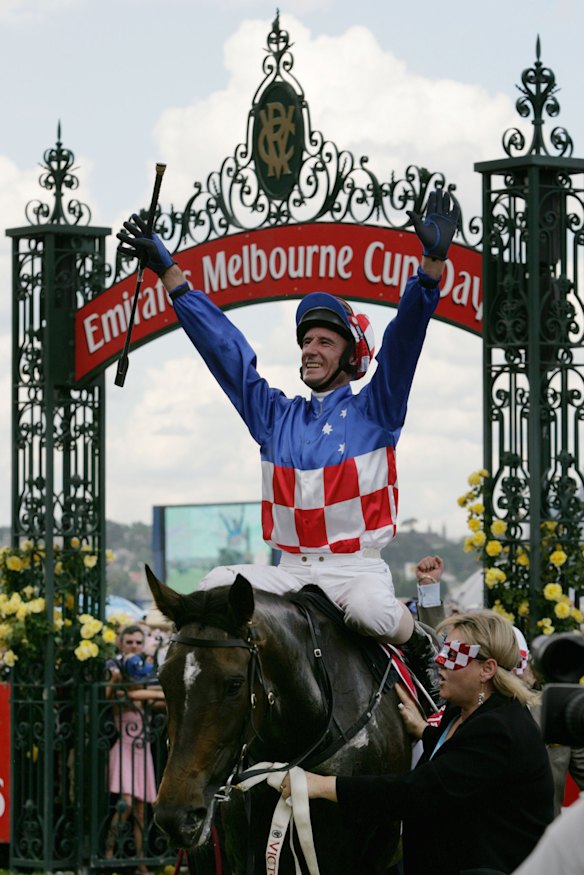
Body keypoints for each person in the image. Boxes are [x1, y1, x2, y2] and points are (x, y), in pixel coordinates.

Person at [117, 190, 460, 699]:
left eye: (325, 341)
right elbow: (225, 351)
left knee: (371, 611)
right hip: (291, 572)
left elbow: (405, 342)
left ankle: (423, 647)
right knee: (214, 583)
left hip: (354, 573)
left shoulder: (377, 409)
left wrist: (430, 268)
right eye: (306, 341)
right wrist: (172, 276)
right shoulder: (274, 416)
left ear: (349, 358)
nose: (310, 350)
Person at [280, 610, 555, 875]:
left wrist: (320, 785)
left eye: (453, 655)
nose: (440, 661)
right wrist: (425, 731)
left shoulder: (499, 729)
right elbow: (458, 757)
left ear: (487, 669)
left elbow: (419, 791)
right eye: (443, 650)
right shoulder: (462, 711)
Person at [105, 625, 165, 875]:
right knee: (125, 805)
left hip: (142, 750)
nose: (133, 646)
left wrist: (148, 693)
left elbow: (161, 698)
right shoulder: (116, 669)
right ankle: (108, 856)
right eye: (129, 642)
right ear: (120, 643)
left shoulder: (147, 673)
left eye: (138, 642)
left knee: (142, 810)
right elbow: (114, 695)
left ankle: (141, 864)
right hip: (125, 748)